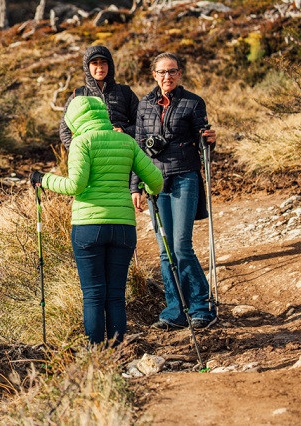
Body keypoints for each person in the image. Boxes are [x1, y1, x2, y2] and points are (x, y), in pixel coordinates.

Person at [31, 96, 163, 345]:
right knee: (115, 295)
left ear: (73, 120)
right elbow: (156, 181)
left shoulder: (82, 142)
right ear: (102, 115)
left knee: (93, 295)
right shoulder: (126, 141)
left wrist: (43, 179)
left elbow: (76, 186)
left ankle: (96, 354)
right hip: (123, 226)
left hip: (88, 227)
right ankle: (117, 352)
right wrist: (143, 184)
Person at [130, 52, 218, 331]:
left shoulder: (193, 102)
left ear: (180, 74)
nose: (167, 76)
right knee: (166, 250)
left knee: (180, 245)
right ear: (153, 75)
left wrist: (209, 142)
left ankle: (201, 306)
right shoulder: (144, 105)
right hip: (155, 183)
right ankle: (173, 310)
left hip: (184, 178)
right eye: (162, 72)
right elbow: (138, 148)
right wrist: (135, 186)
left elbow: (203, 145)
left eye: (172, 71)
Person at [59, 45, 140, 149]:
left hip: (122, 154)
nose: (100, 67)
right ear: (87, 67)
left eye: (103, 62)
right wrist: (78, 151)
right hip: (92, 157)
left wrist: (125, 131)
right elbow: (64, 129)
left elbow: (141, 124)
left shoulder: (125, 92)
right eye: (94, 63)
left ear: (110, 65)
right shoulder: (78, 95)